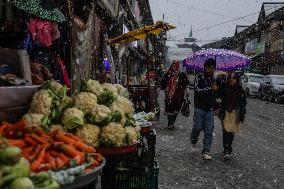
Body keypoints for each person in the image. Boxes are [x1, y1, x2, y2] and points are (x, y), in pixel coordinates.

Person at [190, 58, 218, 160]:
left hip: (209, 109)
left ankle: (206, 151)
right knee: (197, 127)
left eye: (213, 68)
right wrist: (210, 88)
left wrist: (216, 106)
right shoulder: (199, 76)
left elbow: (216, 95)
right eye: (209, 68)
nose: (211, 70)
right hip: (199, 107)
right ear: (205, 67)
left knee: (209, 130)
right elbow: (197, 90)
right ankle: (193, 139)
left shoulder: (215, 79)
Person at [218, 72, 247, 161]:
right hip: (225, 111)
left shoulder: (240, 90)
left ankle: (227, 148)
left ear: (237, 80)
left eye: (234, 78)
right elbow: (219, 98)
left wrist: (242, 113)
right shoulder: (224, 87)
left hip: (235, 112)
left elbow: (243, 102)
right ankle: (227, 150)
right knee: (226, 131)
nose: (232, 80)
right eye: (230, 78)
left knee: (231, 132)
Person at [158, 61, 190, 130]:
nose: (173, 68)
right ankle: (170, 124)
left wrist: (187, 89)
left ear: (178, 66)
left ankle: (172, 123)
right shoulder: (168, 74)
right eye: (172, 66)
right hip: (169, 96)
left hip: (178, 96)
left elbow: (186, 83)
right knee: (169, 110)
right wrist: (159, 88)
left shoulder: (181, 74)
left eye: (175, 66)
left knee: (176, 110)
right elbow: (162, 83)